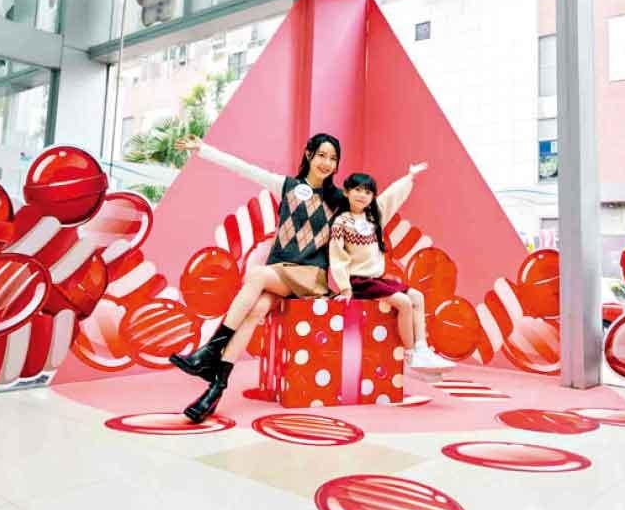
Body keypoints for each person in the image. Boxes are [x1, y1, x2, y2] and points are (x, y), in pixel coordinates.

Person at [168, 133, 346, 422]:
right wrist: (203, 149)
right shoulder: (287, 186)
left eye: (333, 158)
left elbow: (373, 209)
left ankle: (210, 350)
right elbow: (244, 168)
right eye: (322, 155)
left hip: (309, 276)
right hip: (281, 274)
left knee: (257, 274)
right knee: (256, 311)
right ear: (309, 154)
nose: (327, 163)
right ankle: (215, 389)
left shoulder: (338, 200)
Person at [329, 170, 454, 372]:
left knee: (417, 296)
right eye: (357, 190)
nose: (362, 195)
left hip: (376, 280)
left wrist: (409, 177)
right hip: (358, 282)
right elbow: (337, 257)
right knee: (404, 303)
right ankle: (411, 354)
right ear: (346, 192)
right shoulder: (341, 222)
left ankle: (422, 348)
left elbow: (391, 197)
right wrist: (345, 288)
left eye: (368, 192)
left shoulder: (373, 218)